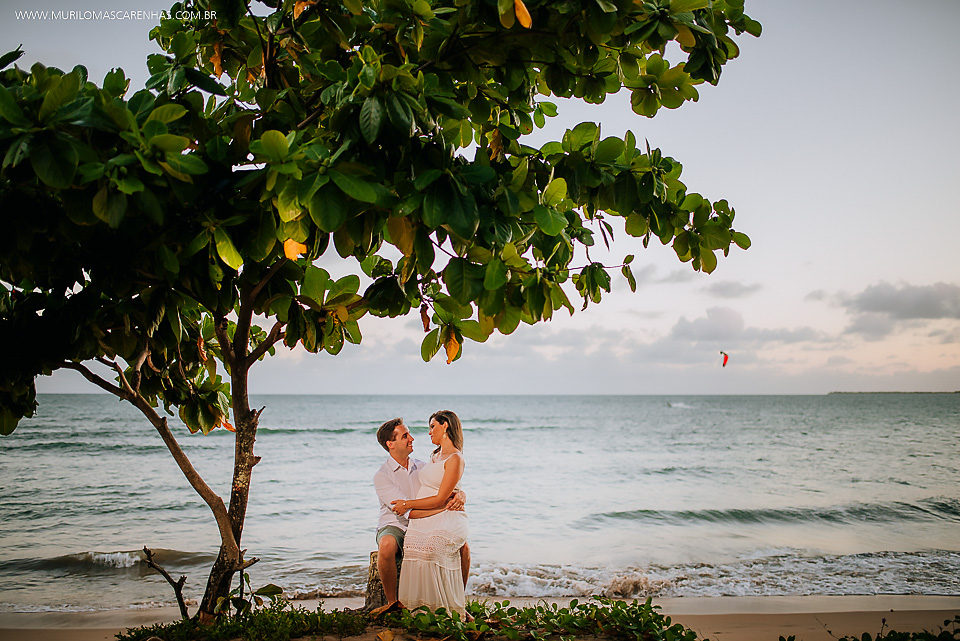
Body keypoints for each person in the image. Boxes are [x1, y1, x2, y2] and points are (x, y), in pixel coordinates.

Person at [373, 416, 470, 610]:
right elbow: (407, 512)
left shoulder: (423, 466)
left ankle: (458, 602)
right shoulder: (382, 476)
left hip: (427, 519)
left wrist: (461, 495)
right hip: (397, 524)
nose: (412, 438)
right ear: (390, 444)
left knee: (463, 547)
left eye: (409, 434)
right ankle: (392, 602)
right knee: (386, 544)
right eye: (405, 436)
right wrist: (445, 505)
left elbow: (446, 485)